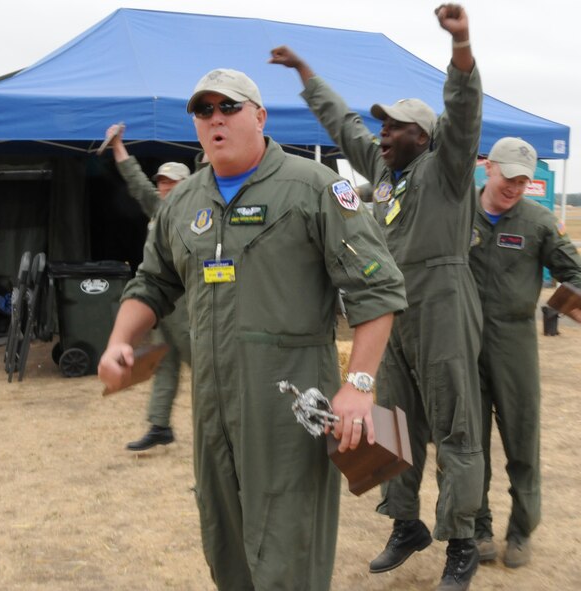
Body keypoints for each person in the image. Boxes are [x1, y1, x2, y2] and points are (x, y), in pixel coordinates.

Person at [97, 68, 407, 590]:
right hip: (214, 406)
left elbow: (376, 290)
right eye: (204, 110)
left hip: (289, 403)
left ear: (260, 116)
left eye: (229, 107)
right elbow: (152, 282)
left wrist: (358, 385)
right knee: (225, 543)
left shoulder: (315, 188)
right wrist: (118, 341)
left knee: (289, 546)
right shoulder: (182, 204)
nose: (216, 119)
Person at [271, 4, 484, 590]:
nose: (382, 136)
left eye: (394, 128)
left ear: (425, 136)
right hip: (393, 310)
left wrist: (461, 44)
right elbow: (345, 127)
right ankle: (405, 522)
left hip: (443, 301)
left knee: (457, 428)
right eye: (383, 127)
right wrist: (306, 76)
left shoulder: (448, 168)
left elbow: (464, 111)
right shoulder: (388, 175)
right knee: (394, 421)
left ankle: (462, 540)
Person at [468, 137, 581, 568]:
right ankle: (477, 529)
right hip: (462, 340)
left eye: (523, 181)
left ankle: (521, 531)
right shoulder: (454, 211)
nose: (515, 187)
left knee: (522, 440)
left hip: (514, 341)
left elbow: (574, 271)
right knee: (468, 446)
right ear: (488, 168)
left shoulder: (539, 221)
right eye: (509, 177)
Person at [105, 125, 193, 452]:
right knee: (164, 362)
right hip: (166, 306)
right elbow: (136, 181)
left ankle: (225, 434)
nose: (164, 186)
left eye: (171, 182)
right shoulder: (159, 210)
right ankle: (159, 425)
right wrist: (117, 145)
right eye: (161, 182)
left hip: (188, 305)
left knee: (207, 371)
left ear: (187, 185)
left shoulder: (195, 214)